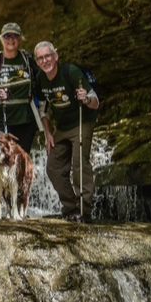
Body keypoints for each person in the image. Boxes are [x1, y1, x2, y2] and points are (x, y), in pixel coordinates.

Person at [34, 40, 100, 221]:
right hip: (61, 127)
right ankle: (71, 208)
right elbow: (43, 109)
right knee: (53, 168)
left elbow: (95, 102)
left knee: (79, 164)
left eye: (47, 56)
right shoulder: (40, 78)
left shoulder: (70, 72)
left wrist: (85, 98)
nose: (45, 61)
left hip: (82, 122)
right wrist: (47, 133)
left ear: (55, 56)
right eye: (40, 58)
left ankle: (84, 211)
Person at [0, 22, 40, 154]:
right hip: (2, 119)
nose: (10, 40)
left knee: (21, 159)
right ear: (1, 39)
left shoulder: (27, 59)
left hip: (25, 120)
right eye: (7, 36)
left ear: (20, 39)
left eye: (14, 36)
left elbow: (41, 81)